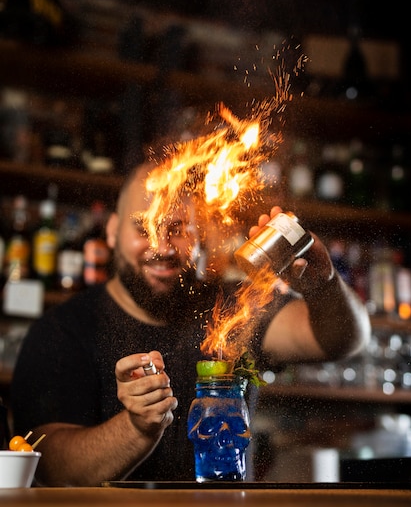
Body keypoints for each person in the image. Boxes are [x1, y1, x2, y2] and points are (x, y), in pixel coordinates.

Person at [10, 160, 371, 486]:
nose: (162, 246)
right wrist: (136, 427)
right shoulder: (61, 330)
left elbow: (343, 340)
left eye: (178, 228)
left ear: (199, 237)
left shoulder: (233, 307)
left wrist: (323, 283)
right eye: (143, 228)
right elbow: (51, 470)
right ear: (111, 231)